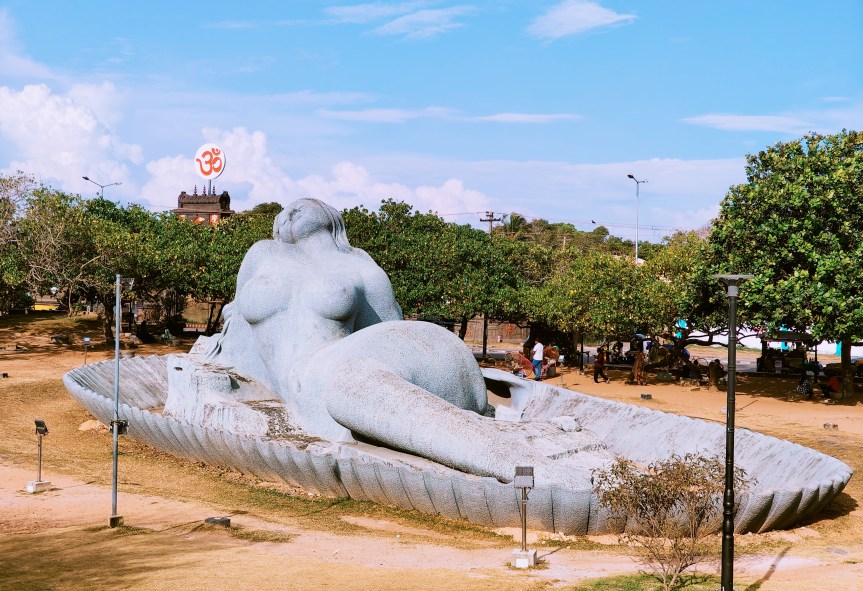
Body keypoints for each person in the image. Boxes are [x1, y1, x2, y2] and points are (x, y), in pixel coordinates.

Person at [202, 198, 589, 489]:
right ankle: (526, 459)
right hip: (314, 383)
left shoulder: (360, 265)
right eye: (287, 209)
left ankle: (531, 466)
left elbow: (391, 329)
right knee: (349, 387)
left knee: (350, 385)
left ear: (332, 220)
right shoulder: (264, 254)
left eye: (306, 206)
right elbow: (233, 328)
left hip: (363, 361)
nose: (292, 210)